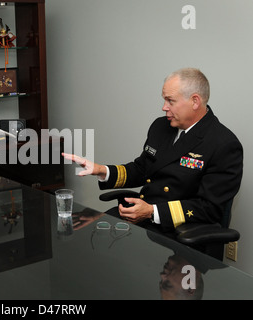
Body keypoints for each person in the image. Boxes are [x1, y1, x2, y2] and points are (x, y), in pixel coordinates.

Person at [63, 68, 243, 235]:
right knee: (86, 239)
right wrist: (101, 170)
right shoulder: (161, 126)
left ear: (195, 101)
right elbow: (143, 169)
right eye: (164, 100)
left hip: (177, 230)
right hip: (141, 216)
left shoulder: (223, 144)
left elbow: (209, 209)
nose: (164, 107)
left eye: (170, 101)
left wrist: (151, 212)